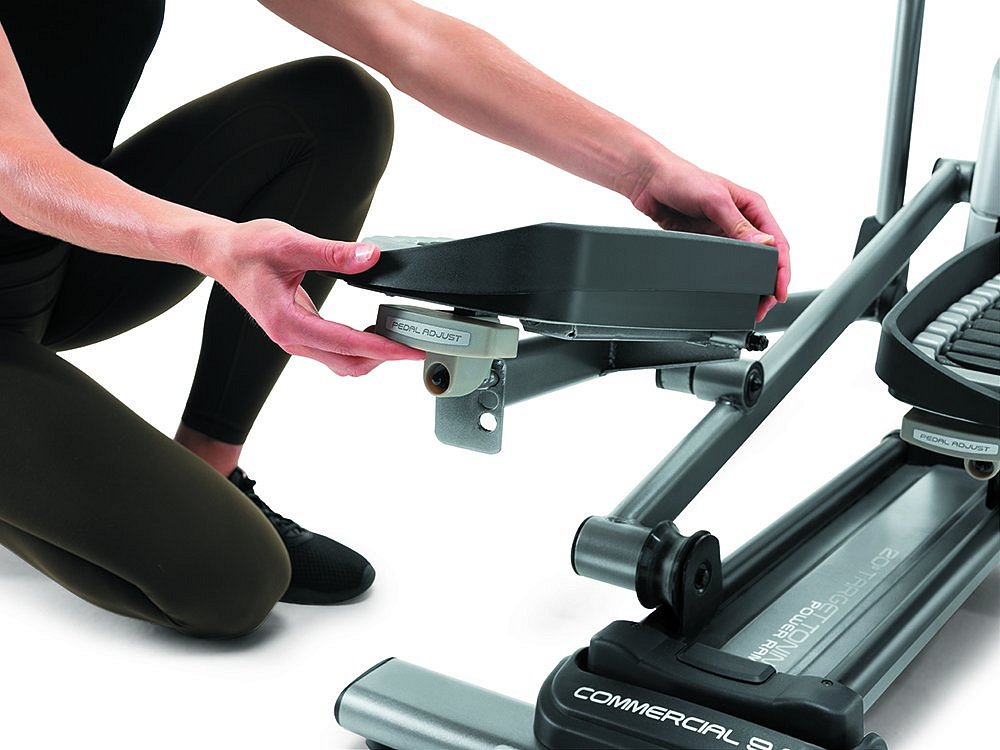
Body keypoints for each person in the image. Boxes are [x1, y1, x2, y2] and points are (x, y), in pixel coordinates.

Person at [0, 0, 790, 638]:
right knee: (228, 581)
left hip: (47, 268)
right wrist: (210, 242)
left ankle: (210, 465)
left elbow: (404, 31)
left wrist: (646, 171)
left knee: (333, 110)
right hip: (24, 209)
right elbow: (13, 161)